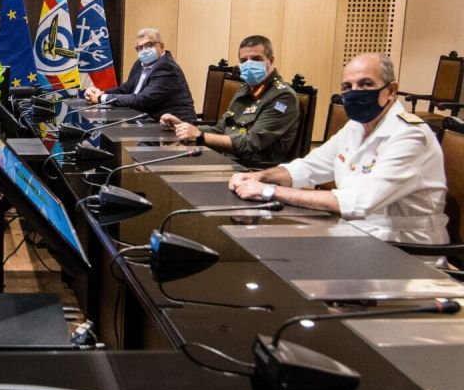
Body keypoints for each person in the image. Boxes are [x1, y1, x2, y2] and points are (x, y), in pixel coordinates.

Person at [229, 53, 448, 245]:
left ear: (391, 91)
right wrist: (259, 176)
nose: (355, 92)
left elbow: (358, 202)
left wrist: (270, 191)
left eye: (365, 84)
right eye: (347, 87)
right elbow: (309, 167)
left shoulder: (410, 135)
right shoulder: (356, 127)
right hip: (355, 235)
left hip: (404, 251)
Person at [160, 34, 299, 167]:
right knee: (165, 161)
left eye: (256, 59)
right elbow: (221, 129)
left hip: (254, 169)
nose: (249, 64)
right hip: (228, 160)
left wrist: (200, 136)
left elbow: (251, 143)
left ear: (271, 60)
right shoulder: (246, 89)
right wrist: (183, 127)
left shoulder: (283, 97)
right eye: (244, 61)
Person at [84, 27, 196, 122]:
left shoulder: (166, 67)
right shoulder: (140, 64)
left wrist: (101, 98)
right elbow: (126, 89)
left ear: (161, 46)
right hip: (147, 121)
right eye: (140, 48)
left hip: (175, 126)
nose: (144, 50)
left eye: (149, 45)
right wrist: (100, 93)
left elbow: (143, 100)